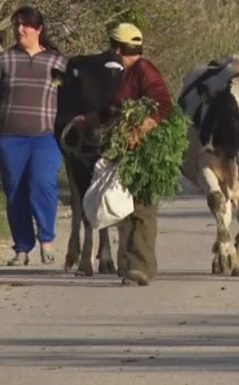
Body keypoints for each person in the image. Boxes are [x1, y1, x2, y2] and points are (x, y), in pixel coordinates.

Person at [72, 23, 172, 286]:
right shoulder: (126, 74)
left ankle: (141, 267)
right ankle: (128, 265)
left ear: (116, 48)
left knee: (142, 208)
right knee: (124, 206)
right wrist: (91, 119)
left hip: (146, 150)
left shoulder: (144, 70)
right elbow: (115, 108)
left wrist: (140, 130)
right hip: (126, 147)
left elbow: (162, 105)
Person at [0, 6, 67, 266]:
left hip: (46, 137)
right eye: (17, 25)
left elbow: (65, 95)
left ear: (38, 29)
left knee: (43, 184)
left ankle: (47, 241)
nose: (20, 30)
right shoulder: (4, 61)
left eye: (26, 25)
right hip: (9, 137)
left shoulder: (56, 63)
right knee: (15, 191)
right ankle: (22, 247)